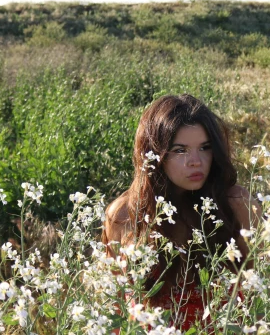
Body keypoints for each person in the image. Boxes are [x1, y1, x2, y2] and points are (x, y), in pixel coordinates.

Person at [102, 94, 260, 330]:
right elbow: (115, 306)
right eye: (180, 150)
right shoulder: (123, 214)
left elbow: (261, 291)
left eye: (205, 148)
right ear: (154, 154)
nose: (195, 161)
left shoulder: (236, 204)